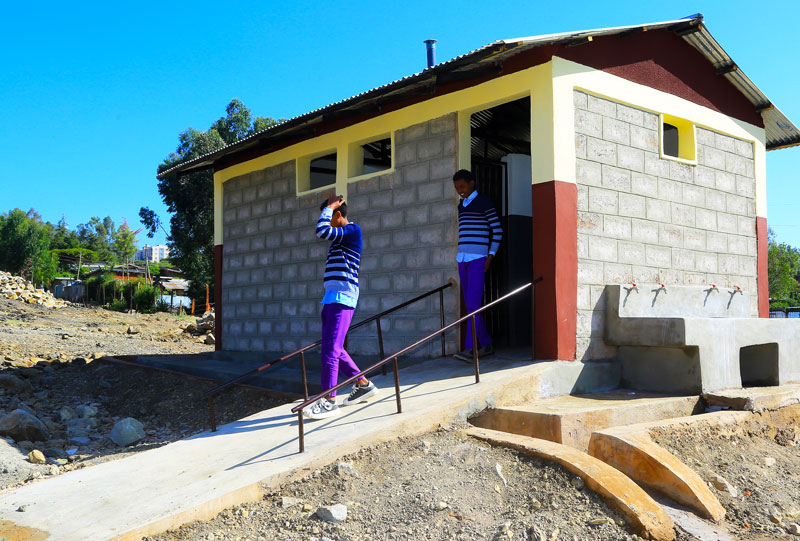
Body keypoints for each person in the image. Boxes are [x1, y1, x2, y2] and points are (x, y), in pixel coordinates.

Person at [304, 194, 379, 419]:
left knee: (330, 350)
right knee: (335, 348)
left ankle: (329, 400)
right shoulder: (340, 239)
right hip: (331, 298)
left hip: (343, 297)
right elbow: (326, 232)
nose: (327, 221)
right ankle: (363, 384)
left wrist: (328, 207)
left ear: (338, 214)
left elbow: (321, 231)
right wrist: (329, 210)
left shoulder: (353, 231)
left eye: (329, 216)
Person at [452, 169, 503, 362]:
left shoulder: (484, 201)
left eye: (463, 186)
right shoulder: (461, 206)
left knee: (473, 304)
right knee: (470, 304)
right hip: (462, 259)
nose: (460, 191)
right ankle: (486, 343)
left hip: (478, 259)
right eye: (457, 188)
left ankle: (470, 348)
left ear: (472, 183)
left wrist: (490, 257)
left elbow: (497, 231)